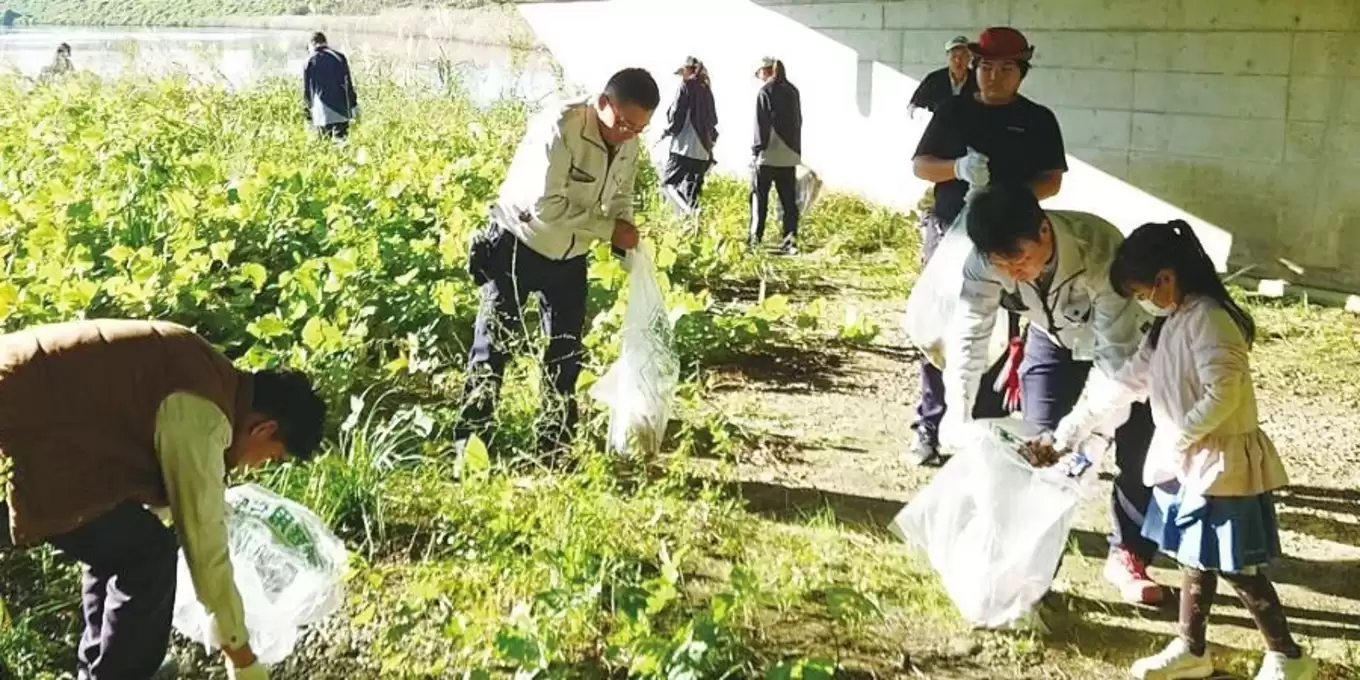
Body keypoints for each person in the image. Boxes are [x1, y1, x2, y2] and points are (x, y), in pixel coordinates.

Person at [1055, 221, 1318, 680]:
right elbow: (1126, 381)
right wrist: (1070, 430)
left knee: (1235, 564)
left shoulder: (1211, 320)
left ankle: (1288, 657)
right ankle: (1191, 648)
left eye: (1141, 289)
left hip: (1220, 462)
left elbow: (1225, 393)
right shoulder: (1168, 323)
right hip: (1189, 459)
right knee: (1195, 556)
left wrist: (1180, 437)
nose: (1141, 300)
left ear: (1167, 277)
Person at [0, 319, 327, 680]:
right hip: (18, 428)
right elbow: (203, 541)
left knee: (124, 538)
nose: (257, 466)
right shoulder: (201, 412)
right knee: (147, 552)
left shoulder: (200, 366)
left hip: (28, 416)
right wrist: (242, 656)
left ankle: (103, 671)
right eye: (270, 455)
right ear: (263, 429)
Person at [946, 185, 1163, 606]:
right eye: (1000, 265)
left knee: (1136, 455)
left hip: (1124, 349)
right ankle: (1032, 571)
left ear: (1044, 231)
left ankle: (1129, 555)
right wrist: (958, 408)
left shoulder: (1099, 247)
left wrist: (1082, 429)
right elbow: (971, 333)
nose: (1012, 274)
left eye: (1020, 260)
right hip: (1051, 339)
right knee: (1040, 451)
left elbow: (1115, 362)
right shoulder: (983, 259)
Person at [457, 68, 659, 458]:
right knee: (493, 347)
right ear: (603, 103)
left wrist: (625, 229)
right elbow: (545, 207)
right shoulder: (560, 127)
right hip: (519, 242)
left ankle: (554, 446)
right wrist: (607, 230)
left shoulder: (629, 141)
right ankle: (471, 449)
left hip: (571, 256)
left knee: (566, 353)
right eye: (624, 123)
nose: (629, 133)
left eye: (639, 128)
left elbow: (621, 196)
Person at [907, 26, 1067, 466]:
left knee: (999, 329)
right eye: (986, 67)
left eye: (1006, 68)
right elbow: (922, 166)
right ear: (974, 67)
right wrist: (957, 168)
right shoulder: (954, 112)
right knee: (944, 330)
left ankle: (986, 425)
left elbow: (1051, 180)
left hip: (1009, 238)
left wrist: (1012, 199)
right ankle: (930, 424)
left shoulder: (1037, 120)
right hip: (950, 232)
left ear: (1022, 72)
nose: (994, 76)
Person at [749, 56, 803, 255]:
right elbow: (799, 121)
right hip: (789, 156)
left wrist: (756, 150)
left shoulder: (765, 91)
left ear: (766, 71)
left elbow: (761, 125)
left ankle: (755, 238)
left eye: (760, 73)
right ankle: (790, 239)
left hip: (768, 154)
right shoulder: (793, 91)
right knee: (788, 201)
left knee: (759, 197)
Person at [660, 56, 719, 216]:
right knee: (692, 193)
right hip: (703, 151)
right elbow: (713, 119)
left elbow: (678, 116)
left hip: (683, 146)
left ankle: (690, 211)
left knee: (668, 183)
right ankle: (693, 223)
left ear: (687, 70)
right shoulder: (707, 89)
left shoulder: (685, 86)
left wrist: (668, 131)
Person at [303, 32, 358, 140]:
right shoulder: (339, 57)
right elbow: (348, 84)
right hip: (341, 111)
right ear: (325, 42)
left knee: (324, 145)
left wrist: (307, 114)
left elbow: (307, 91)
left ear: (312, 44)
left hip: (320, 113)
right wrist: (353, 105)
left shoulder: (308, 61)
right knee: (341, 143)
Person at [907, 36, 977, 118]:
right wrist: (924, 116)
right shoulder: (933, 79)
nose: (958, 61)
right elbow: (913, 106)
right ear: (947, 56)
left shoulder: (978, 79)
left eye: (963, 56)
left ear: (969, 58)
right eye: (954, 56)